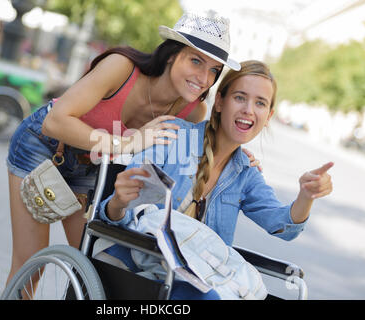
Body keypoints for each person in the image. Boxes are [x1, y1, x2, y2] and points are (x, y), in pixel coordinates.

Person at [5, 11, 265, 287]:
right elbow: (54, 122)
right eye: (196, 61)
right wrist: (126, 143)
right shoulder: (121, 67)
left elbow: (209, 145)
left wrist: (238, 159)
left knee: (94, 265)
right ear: (171, 54)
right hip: (45, 149)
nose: (204, 77)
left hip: (94, 166)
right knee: (30, 264)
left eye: (214, 70)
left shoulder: (193, 110)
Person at [99, 60, 334, 299]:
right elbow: (122, 214)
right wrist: (119, 201)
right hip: (137, 267)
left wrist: (306, 196)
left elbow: (283, 226)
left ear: (268, 116)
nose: (249, 110)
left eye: (260, 103)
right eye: (240, 97)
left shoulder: (246, 173)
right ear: (220, 101)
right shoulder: (172, 136)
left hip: (197, 278)